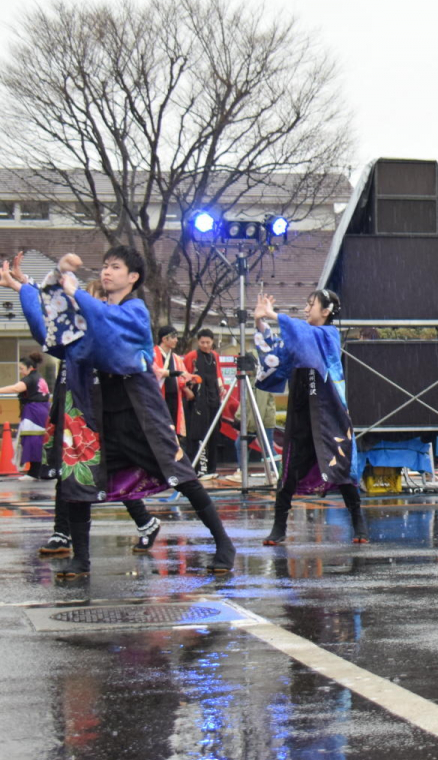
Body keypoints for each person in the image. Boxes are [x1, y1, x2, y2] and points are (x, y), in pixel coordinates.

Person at [7, 247, 234, 578]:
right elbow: (52, 329)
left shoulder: (135, 310)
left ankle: (223, 542)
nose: (106, 272)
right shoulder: (92, 311)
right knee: (77, 482)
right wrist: (27, 288)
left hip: (137, 413)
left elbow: (110, 333)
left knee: (182, 475)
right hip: (97, 414)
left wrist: (75, 294)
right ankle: (81, 560)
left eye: (115, 267)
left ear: (133, 277)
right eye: (104, 266)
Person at [254, 289, 367, 545]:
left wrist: (274, 315)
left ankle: (358, 523)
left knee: (340, 465)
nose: (306, 309)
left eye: (311, 305)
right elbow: (278, 355)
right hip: (301, 409)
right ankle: (279, 527)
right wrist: (261, 322)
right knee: (289, 470)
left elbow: (307, 346)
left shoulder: (329, 334)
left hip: (328, 410)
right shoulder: (303, 334)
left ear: (326, 312)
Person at [0, 351, 51, 480]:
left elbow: (16, 388)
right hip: (42, 410)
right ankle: (38, 470)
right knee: (39, 441)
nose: (21, 371)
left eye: (22, 369)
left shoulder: (30, 378)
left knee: (33, 440)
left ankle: (34, 472)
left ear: (30, 367)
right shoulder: (39, 377)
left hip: (34, 411)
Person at [183, 328, 224, 476]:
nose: (205, 345)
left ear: (212, 342)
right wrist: (188, 392)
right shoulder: (191, 356)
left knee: (213, 432)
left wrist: (221, 388)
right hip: (198, 400)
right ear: (198, 342)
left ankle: (211, 468)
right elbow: (184, 377)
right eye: (202, 342)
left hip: (213, 397)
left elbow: (218, 374)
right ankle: (199, 468)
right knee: (198, 434)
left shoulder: (214, 356)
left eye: (208, 342)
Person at [153, 325, 194, 445]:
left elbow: (182, 378)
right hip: (158, 398)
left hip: (174, 399)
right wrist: (173, 373)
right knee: (160, 428)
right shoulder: (153, 354)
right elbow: (154, 372)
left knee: (173, 428)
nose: (176, 340)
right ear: (164, 339)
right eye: (173, 337)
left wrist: (187, 386)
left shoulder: (176, 358)